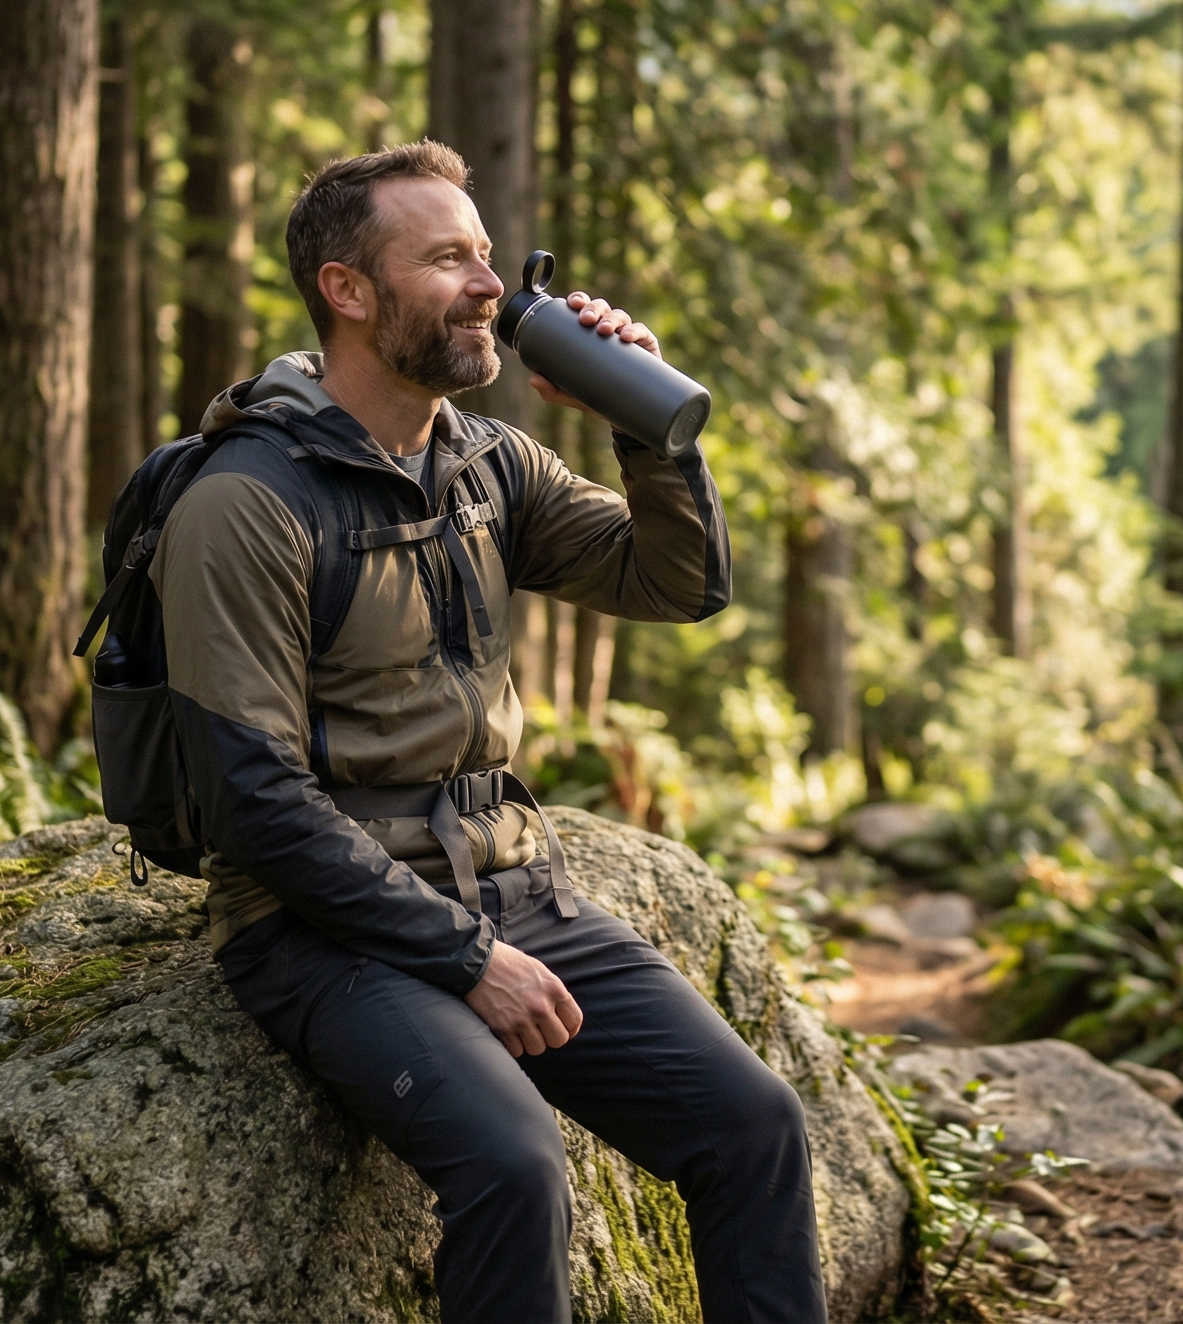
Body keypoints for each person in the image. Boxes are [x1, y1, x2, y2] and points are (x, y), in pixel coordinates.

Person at [153, 140, 827, 1324]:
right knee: (516, 1166)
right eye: (447, 256)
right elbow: (250, 801)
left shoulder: (487, 463)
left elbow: (678, 586)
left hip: (511, 889)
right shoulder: (246, 501)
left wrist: (640, 420)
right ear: (346, 291)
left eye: (485, 251)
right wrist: (464, 961)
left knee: (755, 1126)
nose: (488, 283)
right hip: (322, 929)